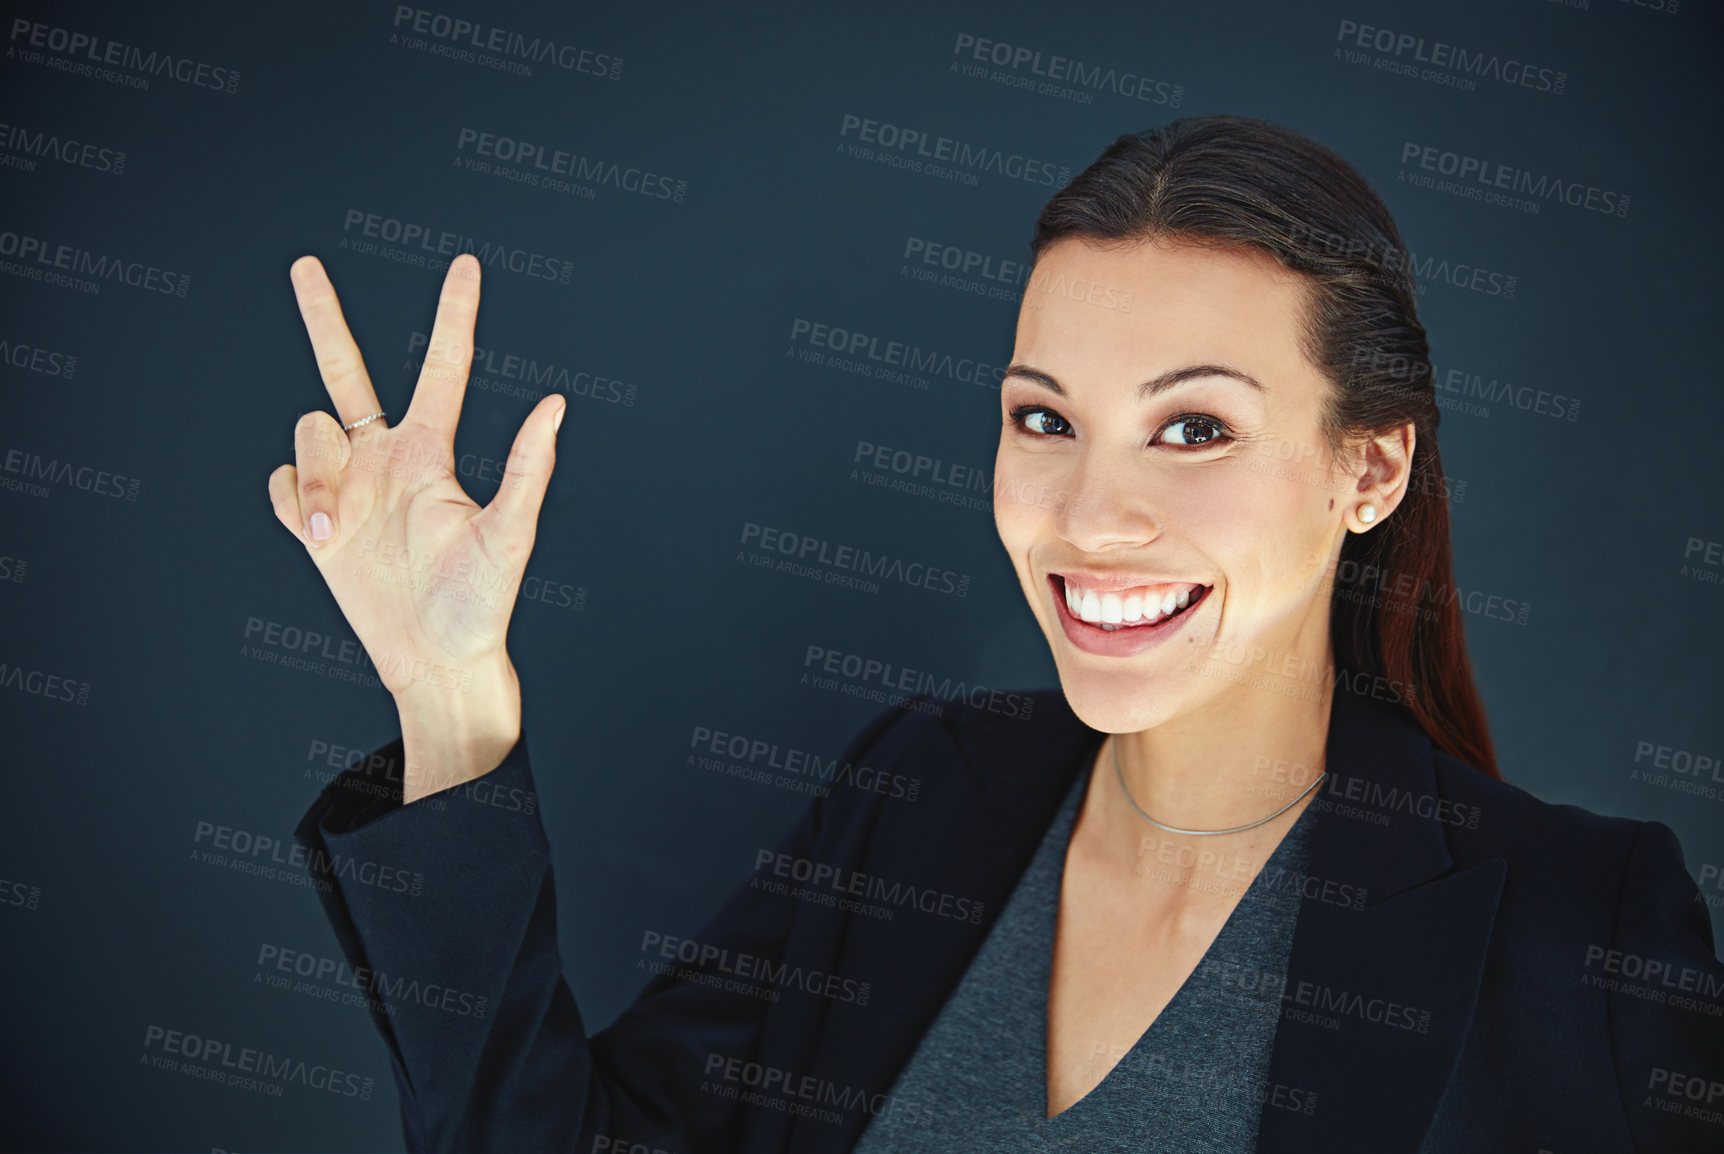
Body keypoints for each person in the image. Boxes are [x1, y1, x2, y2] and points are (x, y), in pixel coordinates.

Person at [273, 115, 1723, 1153]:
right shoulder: (922, 795)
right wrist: (448, 694)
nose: (1094, 515)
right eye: (1046, 419)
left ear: (1373, 469)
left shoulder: (1580, 927)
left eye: (1196, 427)